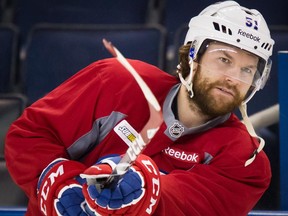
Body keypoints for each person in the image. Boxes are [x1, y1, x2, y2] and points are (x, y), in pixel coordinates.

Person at [5, 1, 274, 215]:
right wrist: (57, 181)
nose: (233, 78)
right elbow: (30, 136)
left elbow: (188, 206)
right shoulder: (115, 82)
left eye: (248, 69)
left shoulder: (246, 162)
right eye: (224, 59)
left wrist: (144, 187)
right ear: (192, 55)